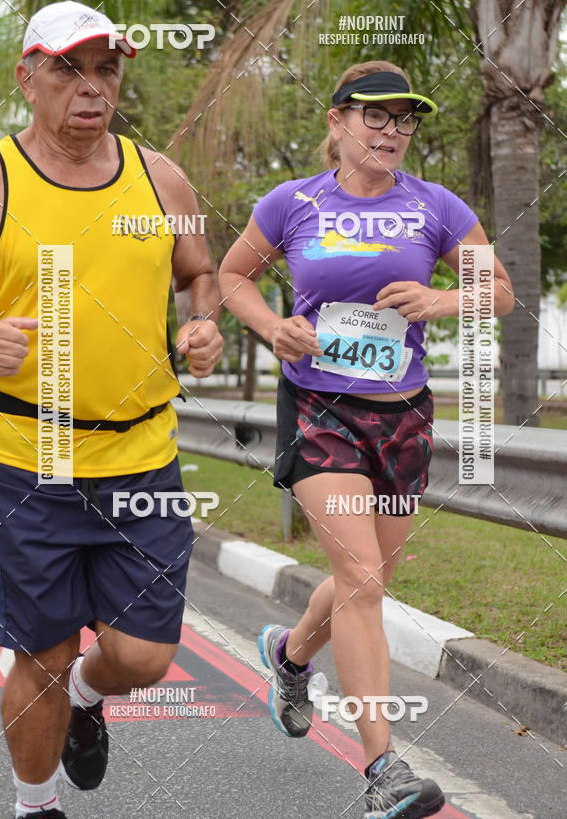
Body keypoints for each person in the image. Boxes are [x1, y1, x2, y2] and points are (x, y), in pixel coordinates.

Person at [219, 60, 514, 818]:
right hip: (322, 409)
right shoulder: (293, 203)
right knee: (363, 582)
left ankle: (290, 656)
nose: (392, 132)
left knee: (370, 574)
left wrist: (443, 297)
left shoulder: (436, 207)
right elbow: (233, 276)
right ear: (338, 121)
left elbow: (500, 290)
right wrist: (272, 327)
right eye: (376, 117)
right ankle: (383, 767)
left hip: (404, 412)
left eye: (405, 120)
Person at [0, 0, 222, 819]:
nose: (91, 86)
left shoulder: (161, 177)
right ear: (28, 77)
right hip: (24, 459)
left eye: (106, 69)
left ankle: (88, 692)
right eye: (68, 68)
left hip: (143, 456)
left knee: (144, 657)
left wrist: (205, 320)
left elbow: (200, 272)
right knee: (37, 658)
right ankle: (34, 806)